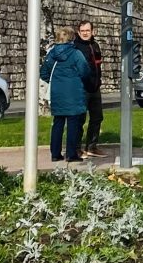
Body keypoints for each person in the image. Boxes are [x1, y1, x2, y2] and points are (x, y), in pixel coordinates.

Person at [40, 27, 92, 164]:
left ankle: (55, 153)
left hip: (57, 92)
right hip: (74, 92)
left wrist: (56, 82)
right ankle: (71, 153)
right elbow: (85, 71)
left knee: (58, 122)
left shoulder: (51, 54)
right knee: (73, 123)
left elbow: (44, 73)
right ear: (71, 38)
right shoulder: (76, 54)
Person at [74, 19, 104, 158]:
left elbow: (97, 65)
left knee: (97, 117)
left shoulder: (95, 45)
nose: (85, 33)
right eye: (83, 31)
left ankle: (92, 146)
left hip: (95, 87)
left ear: (93, 32)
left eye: (88, 31)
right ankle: (76, 148)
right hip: (81, 88)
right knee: (79, 119)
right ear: (78, 32)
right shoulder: (76, 47)